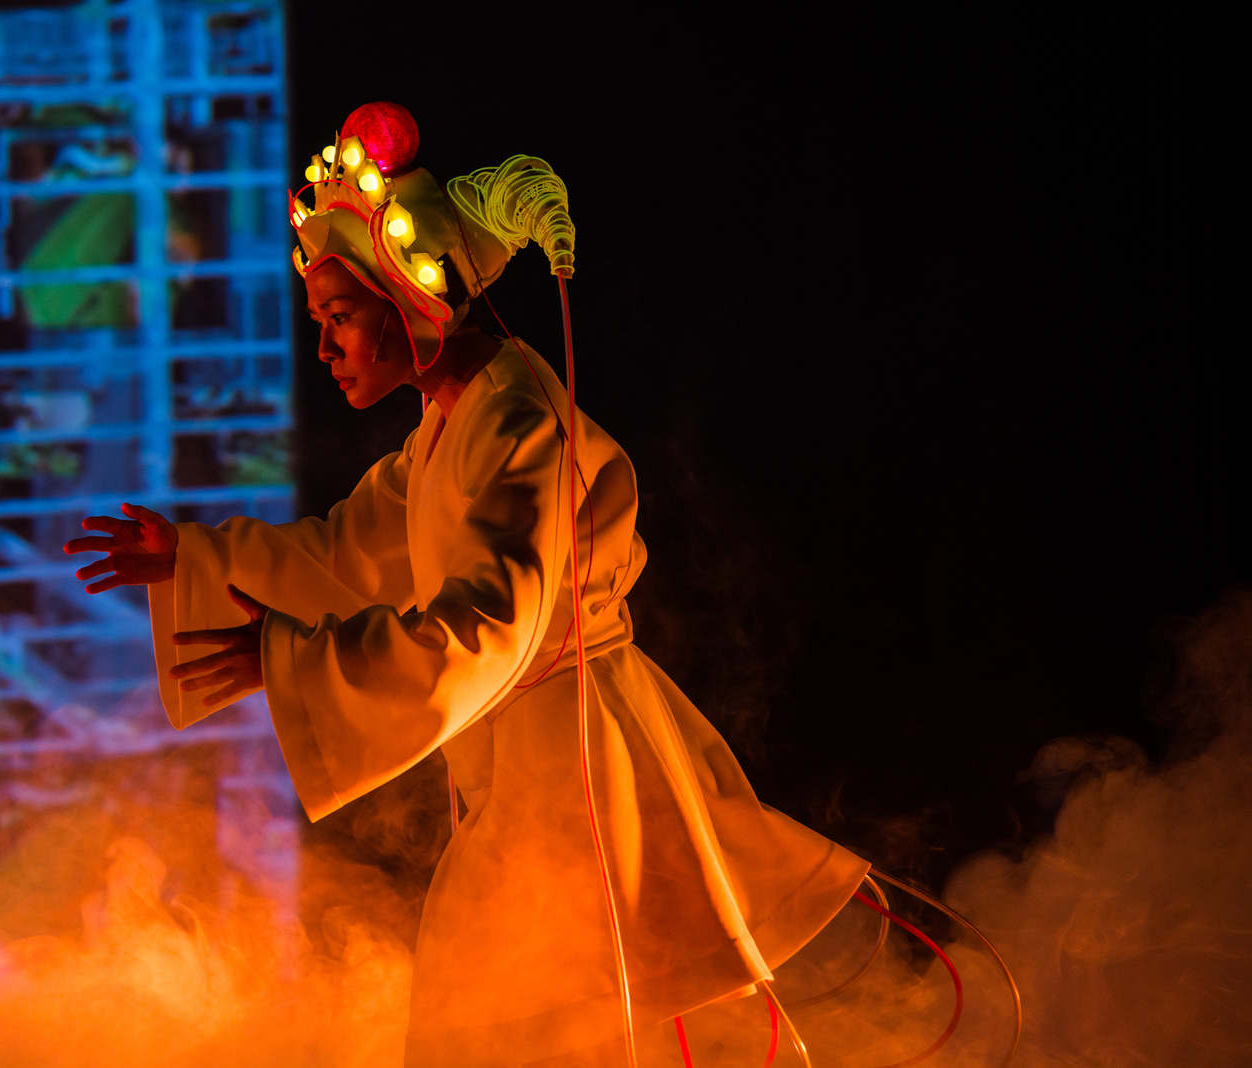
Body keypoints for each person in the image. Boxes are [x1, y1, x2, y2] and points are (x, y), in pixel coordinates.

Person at [66, 103, 868, 1067]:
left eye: (340, 318)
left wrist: (287, 660)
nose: (324, 349)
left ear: (413, 299)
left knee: (516, 1028)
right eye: (320, 322)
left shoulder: (515, 422)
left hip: (569, 775)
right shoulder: (451, 423)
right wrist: (195, 559)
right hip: (521, 773)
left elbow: (490, 626)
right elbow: (349, 553)